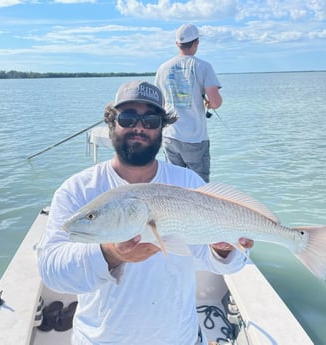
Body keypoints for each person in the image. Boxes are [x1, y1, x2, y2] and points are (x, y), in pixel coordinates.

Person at [37, 80, 253, 345]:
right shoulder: (78, 189)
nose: (139, 127)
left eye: (151, 120)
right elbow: (50, 270)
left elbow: (218, 261)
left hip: (177, 338)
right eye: (128, 118)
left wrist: (223, 250)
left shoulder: (188, 183)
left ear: (162, 129)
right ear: (111, 123)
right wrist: (110, 254)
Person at [155, 23, 223, 182]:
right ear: (196, 43)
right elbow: (216, 102)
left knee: (175, 184)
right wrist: (209, 104)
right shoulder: (204, 66)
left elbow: (160, 104)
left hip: (170, 137)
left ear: (177, 44)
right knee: (199, 187)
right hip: (195, 138)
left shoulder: (163, 68)